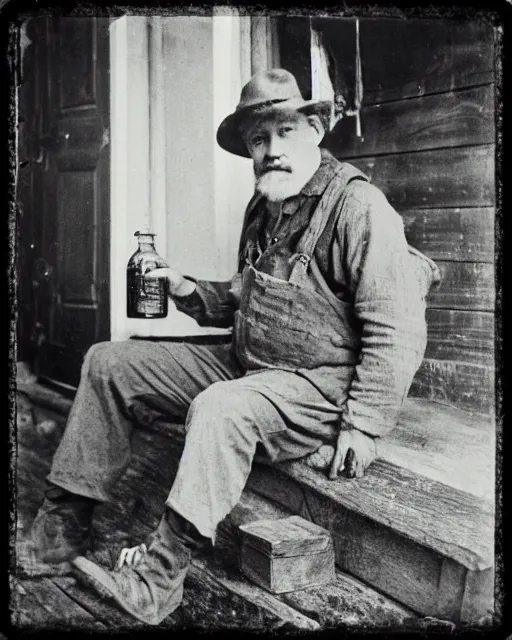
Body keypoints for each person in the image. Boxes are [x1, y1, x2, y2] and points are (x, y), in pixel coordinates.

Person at [19, 69, 440, 625]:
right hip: (251, 363)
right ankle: (61, 527)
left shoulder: (359, 208)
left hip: (318, 385)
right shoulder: (265, 206)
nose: (271, 151)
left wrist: (364, 425)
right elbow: (252, 294)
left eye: (284, 132)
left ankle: (158, 577)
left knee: (219, 407)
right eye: (258, 140)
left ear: (314, 129)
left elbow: (397, 325)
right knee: (110, 360)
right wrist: (190, 292)